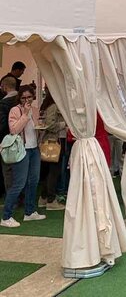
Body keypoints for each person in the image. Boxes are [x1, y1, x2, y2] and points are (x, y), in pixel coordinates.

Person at [1, 86, 46, 227]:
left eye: (29, 97)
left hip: (34, 149)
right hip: (21, 151)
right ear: (19, 98)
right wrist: (25, 115)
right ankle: (6, 216)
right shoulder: (16, 110)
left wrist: (41, 127)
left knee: (33, 181)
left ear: (33, 97)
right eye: (23, 97)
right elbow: (14, 130)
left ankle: (30, 212)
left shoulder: (35, 109)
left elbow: (37, 127)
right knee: (19, 183)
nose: (27, 100)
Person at [38, 89, 67, 210]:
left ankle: (44, 197)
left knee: (48, 170)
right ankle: (50, 199)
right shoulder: (54, 106)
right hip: (54, 141)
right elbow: (50, 124)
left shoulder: (49, 105)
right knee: (54, 171)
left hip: (52, 141)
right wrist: (63, 124)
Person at [0, 76, 19, 195]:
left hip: (6, 140)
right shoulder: (20, 100)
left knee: (7, 170)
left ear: (5, 87)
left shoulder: (3, 104)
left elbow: (2, 124)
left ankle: (12, 197)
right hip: (21, 139)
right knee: (19, 170)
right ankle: (20, 195)